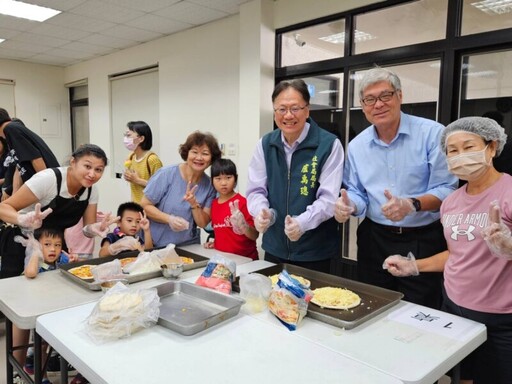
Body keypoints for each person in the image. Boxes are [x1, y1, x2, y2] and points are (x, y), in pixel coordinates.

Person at [383, 116, 512, 384]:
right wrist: (414, 266)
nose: (460, 156)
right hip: (455, 308)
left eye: (469, 147)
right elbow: (457, 254)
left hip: (502, 317)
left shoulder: (509, 191)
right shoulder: (450, 202)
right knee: (460, 377)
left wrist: (509, 247)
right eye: (452, 151)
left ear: (491, 147)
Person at [334, 67, 458, 309]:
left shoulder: (432, 134)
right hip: (375, 238)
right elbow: (358, 193)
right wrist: (349, 205)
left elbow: (448, 189)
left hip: (423, 237)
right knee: (372, 303)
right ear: (362, 105)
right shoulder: (358, 146)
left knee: (421, 308)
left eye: (385, 96)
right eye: (370, 99)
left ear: (400, 96)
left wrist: (412, 204)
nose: (378, 104)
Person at [246, 79, 344, 273]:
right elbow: (255, 190)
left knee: (313, 302)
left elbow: (329, 198)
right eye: (281, 109)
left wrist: (302, 223)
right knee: (272, 300)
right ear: (274, 112)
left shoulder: (329, 144)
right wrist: (261, 212)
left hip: (316, 251)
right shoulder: (265, 144)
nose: (288, 115)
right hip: (275, 248)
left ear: (307, 110)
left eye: (295, 108)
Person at [141, 131, 221, 247]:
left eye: (205, 153)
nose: (199, 158)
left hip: (188, 245)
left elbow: (203, 223)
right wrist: (169, 219)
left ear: (212, 158)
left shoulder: (210, 185)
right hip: (155, 243)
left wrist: (194, 205)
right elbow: (145, 205)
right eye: (194, 152)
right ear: (187, 153)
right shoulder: (166, 174)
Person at [205, 159, 259, 260]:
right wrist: (216, 243)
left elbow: (255, 235)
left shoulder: (243, 202)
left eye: (228, 178)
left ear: (236, 179)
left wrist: (244, 226)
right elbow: (222, 232)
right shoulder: (214, 204)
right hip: (223, 260)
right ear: (212, 181)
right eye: (218, 178)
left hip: (246, 260)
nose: (224, 183)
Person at [0, 108, 60, 199]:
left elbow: (36, 159)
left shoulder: (11, 129)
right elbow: (19, 167)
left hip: (46, 185)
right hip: (33, 185)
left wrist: (48, 188)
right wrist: (13, 195)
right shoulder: (10, 132)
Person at [123, 121, 163, 203]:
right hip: (135, 206)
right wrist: (128, 177)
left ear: (141, 139)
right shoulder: (131, 157)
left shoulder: (152, 160)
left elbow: (160, 187)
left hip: (150, 208)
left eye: (129, 135)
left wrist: (137, 180)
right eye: (125, 136)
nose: (126, 139)